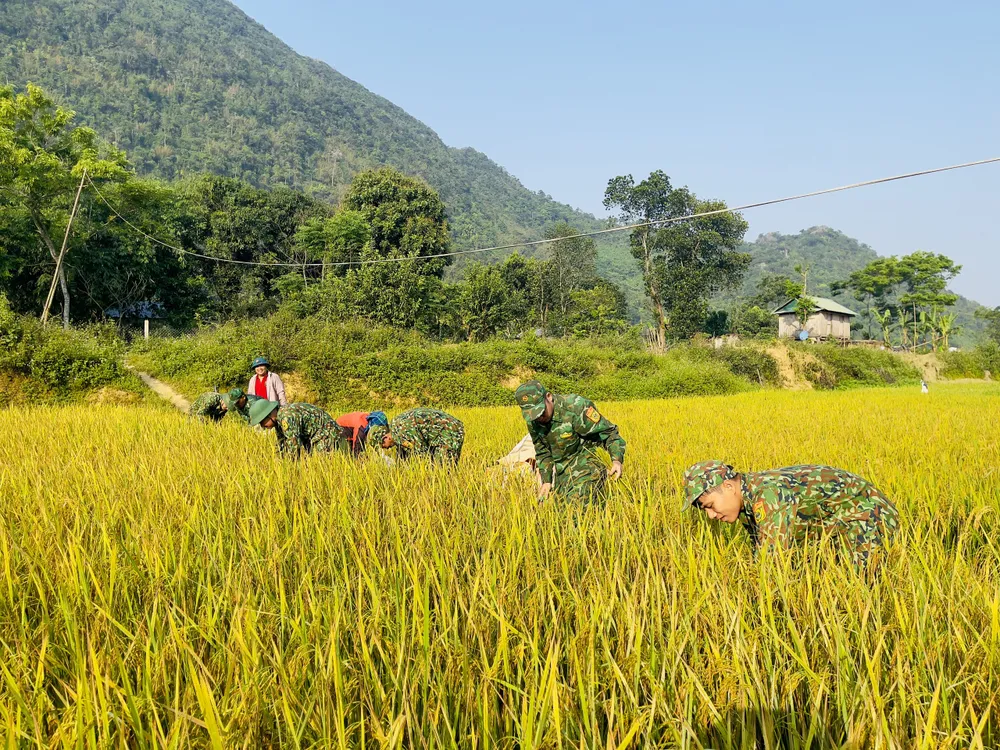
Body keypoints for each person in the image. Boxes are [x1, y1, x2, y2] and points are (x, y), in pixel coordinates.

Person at [681, 460, 899, 570]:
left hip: (868, 516)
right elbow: (763, 551)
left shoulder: (767, 495)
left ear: (728, 487)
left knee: (859, 586)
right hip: (836, 523)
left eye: (709, 505)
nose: (710, 516)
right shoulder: (747, 503)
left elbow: (773, 564)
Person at [514, 380, 625, 504]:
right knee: (559, 514)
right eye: (533, 415)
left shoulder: (575, 407)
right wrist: (546, 481)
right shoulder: (533, 420)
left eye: (541, 411)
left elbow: (609, 432)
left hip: (587, 464)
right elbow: (542, 451)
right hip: (563, 472)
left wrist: (616, 460)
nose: (539, 417)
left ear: (549, 397)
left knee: (576, 512)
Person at [248, 399, 344, 458]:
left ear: (269, 415)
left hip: (326, 433)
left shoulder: (287, 417)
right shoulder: (279, 419)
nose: (262, 426)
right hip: (313, 436)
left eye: (262, 422)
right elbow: (282, 443)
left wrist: (291, 471)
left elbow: (293, 446)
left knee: (321, 465)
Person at [367, 407, 464, 464]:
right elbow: (404, 453)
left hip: (449, 431)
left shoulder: (400, 432)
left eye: (383, 446)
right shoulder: (395, 426)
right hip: (443, 432)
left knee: (443, 469)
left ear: (385, 437)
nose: (386, 448)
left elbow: (422, 453)